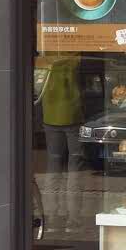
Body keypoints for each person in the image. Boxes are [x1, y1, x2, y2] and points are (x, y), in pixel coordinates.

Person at [36, 54, 86, 235]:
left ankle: (52, 218)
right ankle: (73, 220)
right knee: (74, 168)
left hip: (50, 117)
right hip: (73, 117)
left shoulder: (42, 58)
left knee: (53, 166)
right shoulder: (73, 59)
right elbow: (77, 92)